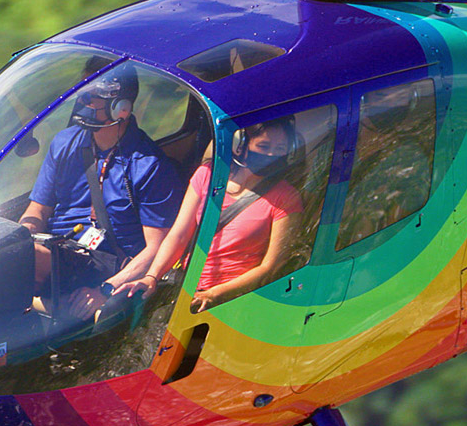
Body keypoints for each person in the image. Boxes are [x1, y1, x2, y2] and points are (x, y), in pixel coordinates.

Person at [19, 60, 180, 319]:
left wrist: (106, 289)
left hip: (110, 264)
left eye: (94, 96)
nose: (83, 102)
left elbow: (157, 248)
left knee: (12, 265)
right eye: (83, 92)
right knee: (3, 258)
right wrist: (21, 239)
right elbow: (38, 210)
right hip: (61, 251)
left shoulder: (149, 166)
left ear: (121, 108)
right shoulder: (63, 143)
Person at [118, 117, 301, 312]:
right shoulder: (208, 175)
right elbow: (178, 235)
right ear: (240, 145)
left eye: (281, 148)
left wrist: (214, 294)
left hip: (230, 299)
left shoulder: (286, 197)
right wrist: (152, 277)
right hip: (185, 283)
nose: (272, 154)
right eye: (264, 146)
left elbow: (270, 266)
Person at [337, 82, 432, 248]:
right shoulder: (331, 151)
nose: (391, 104)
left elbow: (401, 224)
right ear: (364, 99)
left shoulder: (409, 156)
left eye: (400, 97)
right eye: (381, 96)